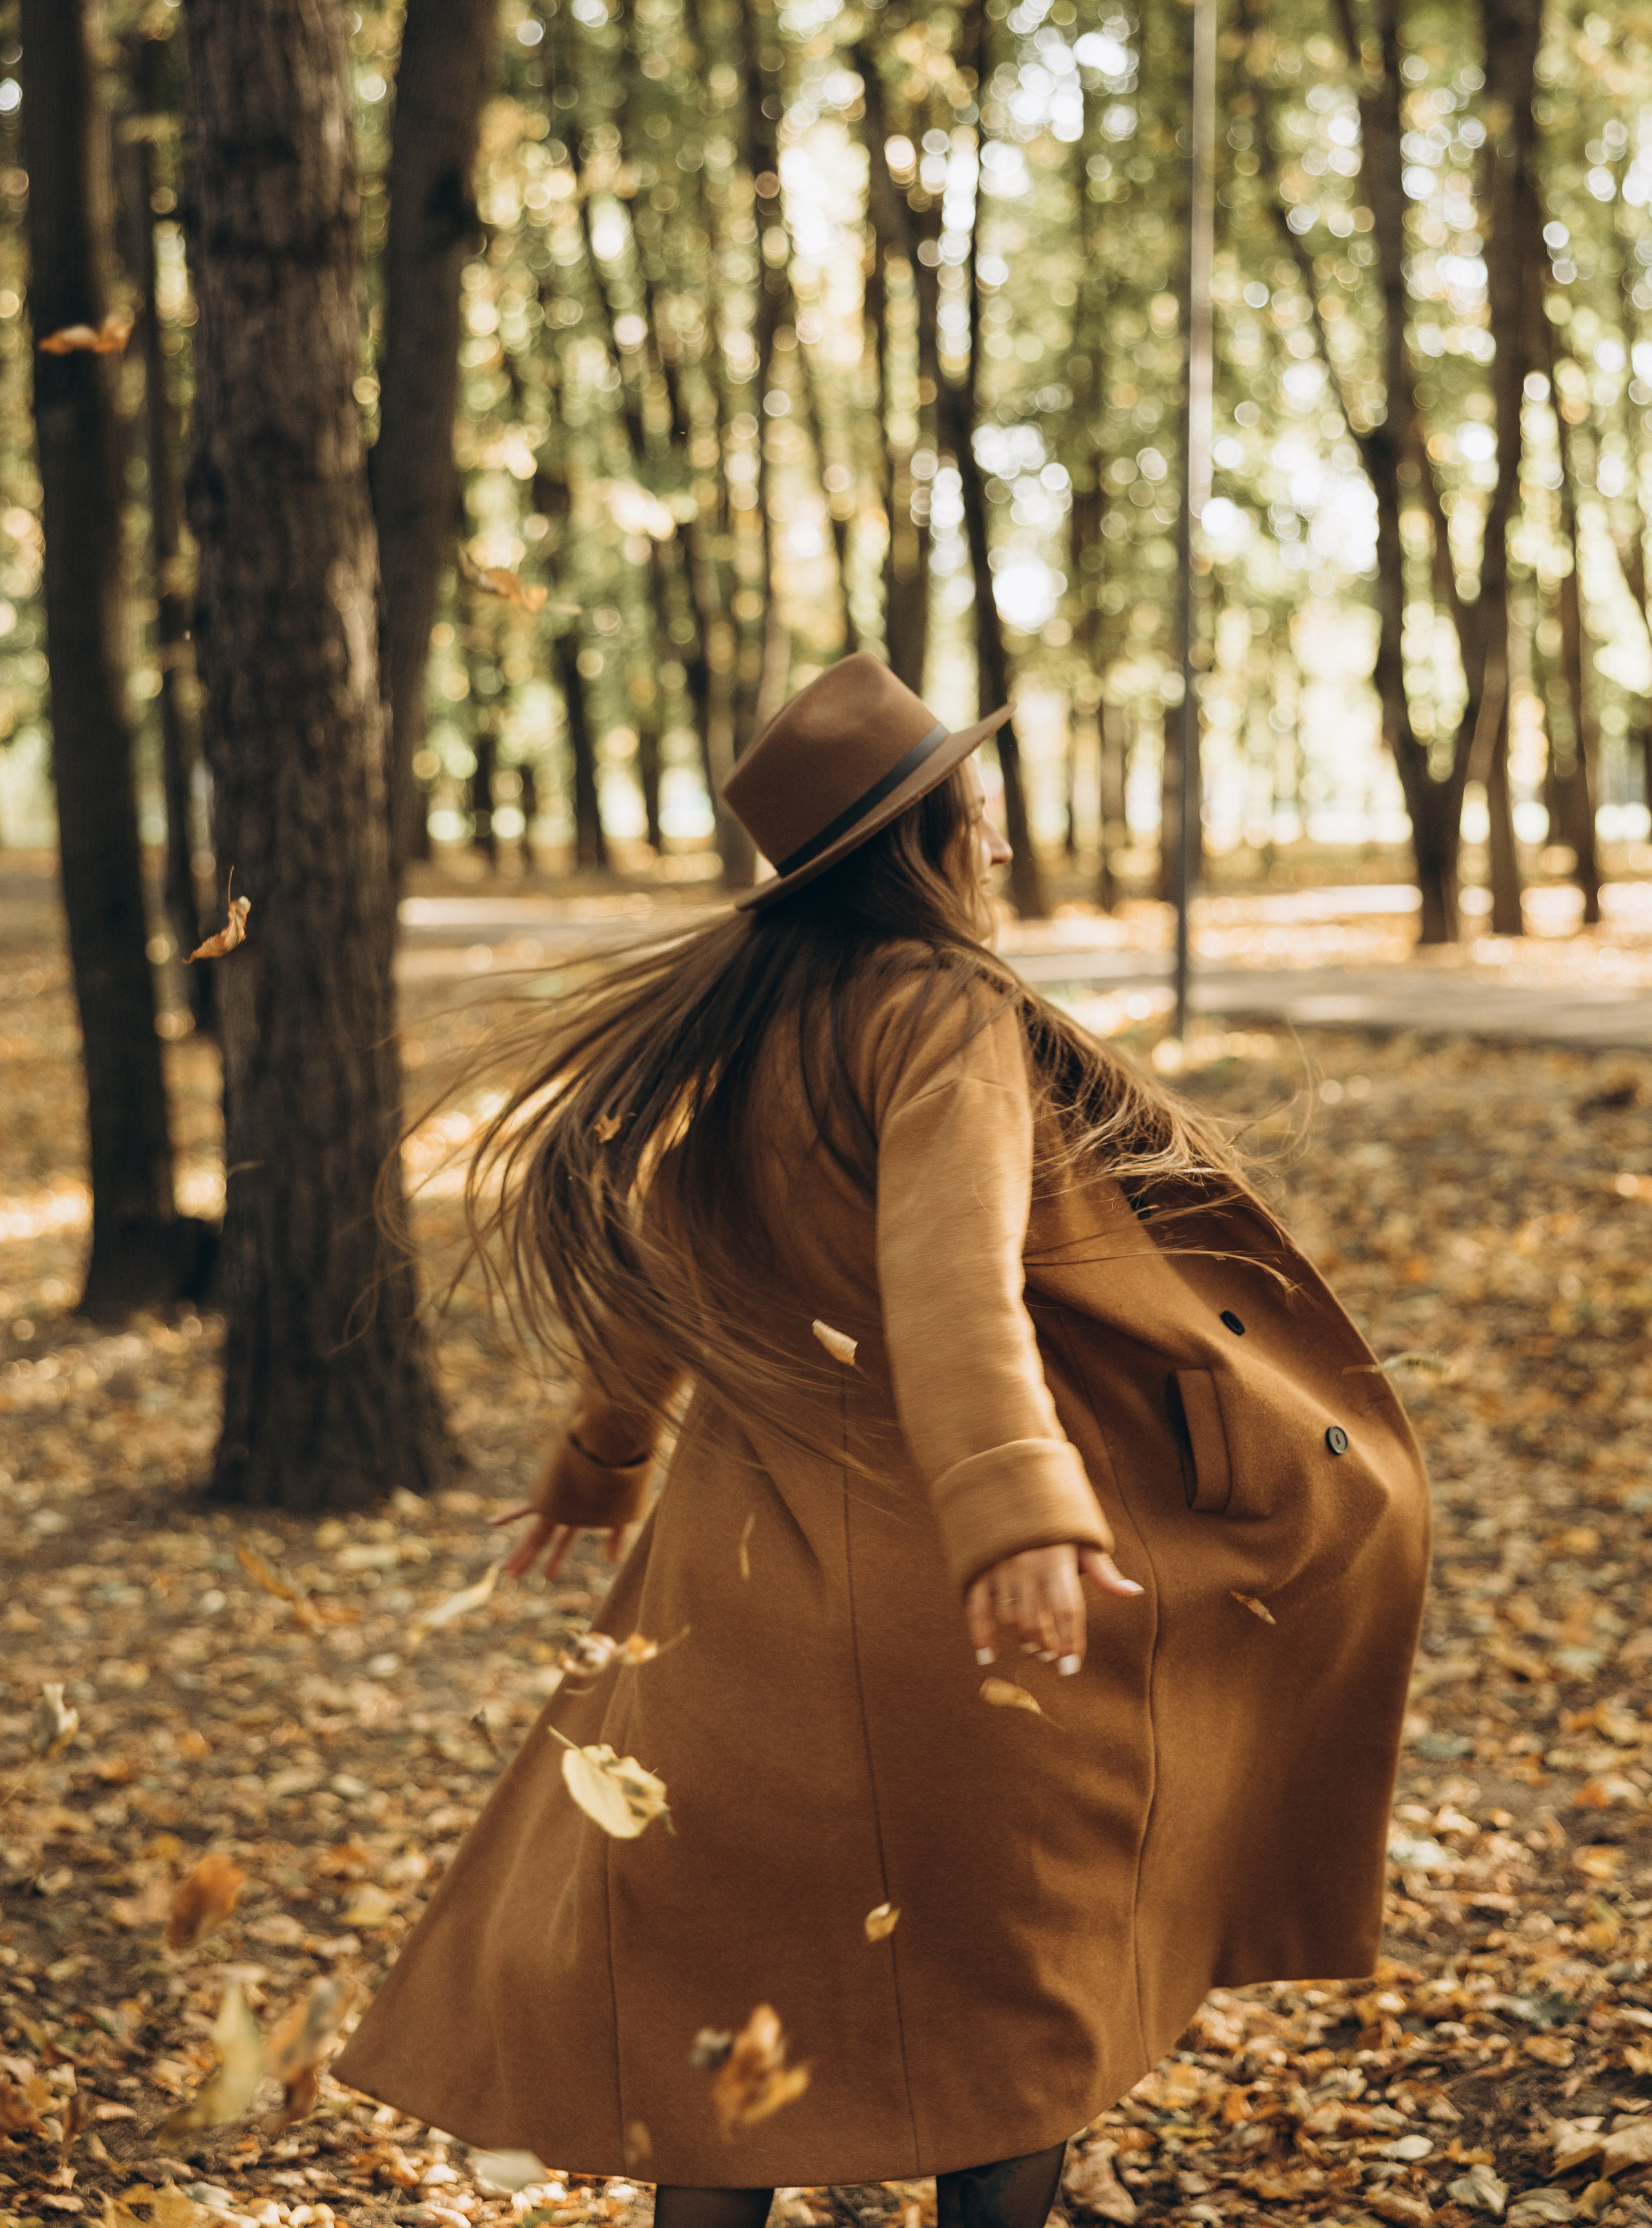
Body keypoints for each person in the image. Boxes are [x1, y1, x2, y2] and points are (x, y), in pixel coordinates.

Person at [337, 654, 1430, 2228]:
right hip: (941, 1609)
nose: (993, 844)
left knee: (729, 2037)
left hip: (724, 1614)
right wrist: (1016, 1508)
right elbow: (949, 1284)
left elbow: (660, 1270)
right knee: (1003, 2023)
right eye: (975, 816)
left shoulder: (751, 1041)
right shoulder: (943, 1013)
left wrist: (598, 1464)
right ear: (919, 847)